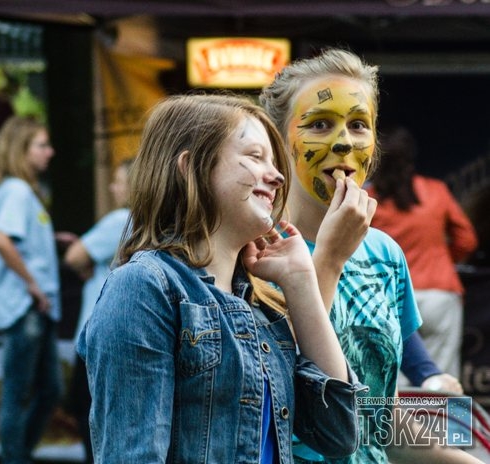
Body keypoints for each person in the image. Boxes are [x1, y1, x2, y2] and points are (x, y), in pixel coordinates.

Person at [78, 93, 364, 463]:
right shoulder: (143, 287)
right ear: (189, 168)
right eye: (255, 156)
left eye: (274, 162)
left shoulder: (261, 307)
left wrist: (300, 280)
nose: (278, 176)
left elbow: (339, 433)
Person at [260, 47, 480, 463]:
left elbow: (377, 417)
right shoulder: (254, 252)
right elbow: (277, 398)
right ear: (278, 141)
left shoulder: (385, 254)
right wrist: (329, 257)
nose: (344, 142)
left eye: (358, 125)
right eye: (320, 124)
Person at [366, 125, 478, 381]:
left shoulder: (367, 200)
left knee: (393, 380)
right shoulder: (436, 190)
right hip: (440, 294)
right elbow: (466, 239)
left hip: (389, 296)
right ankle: (438, 411)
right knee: (440, 380)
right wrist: (442, 259)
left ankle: (403, 413)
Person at [0, 115, 61, 464]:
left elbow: (15, 239)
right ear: (21, 149)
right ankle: (15, 458)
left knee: (48, 390)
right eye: (42, 145)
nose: (50, 152)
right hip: (25, 306)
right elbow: (1, 239)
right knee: (20, 393)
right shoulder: (16, 190)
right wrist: (32, 284)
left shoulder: (21, 191)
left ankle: (19, 456)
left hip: (35, 306)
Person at [62, 157, 133, 463]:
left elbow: (74, 257)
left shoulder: (121, 220)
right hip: (125, 335)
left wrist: (86, 261)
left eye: (118, 181)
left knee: (88, 413)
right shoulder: (154, 223)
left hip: (96, 333)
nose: (112, 187)